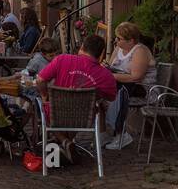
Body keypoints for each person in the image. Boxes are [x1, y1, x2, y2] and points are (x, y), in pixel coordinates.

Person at [35, 34, 118, 165]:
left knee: (46, 108)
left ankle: (64, 143)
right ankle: (65, 147)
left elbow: (40, 80)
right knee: (90, 109)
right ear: (101, 54)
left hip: (57, 112)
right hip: (84, 116)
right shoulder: (106, 75)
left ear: (82, 47)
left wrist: (44, 95)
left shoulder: (62, 59)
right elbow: (111, 97)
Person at [104, 22, 157, 150]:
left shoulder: (140, 51)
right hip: (124, 84)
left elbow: (136, 77)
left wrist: (112, 76)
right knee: (101, 91)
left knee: (119, 91)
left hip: (143, 89)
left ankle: (121, 134)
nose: (116, 41)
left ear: (131, 41)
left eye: (119, 39)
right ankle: (103, 132)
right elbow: (111, 68)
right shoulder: (118, 49)